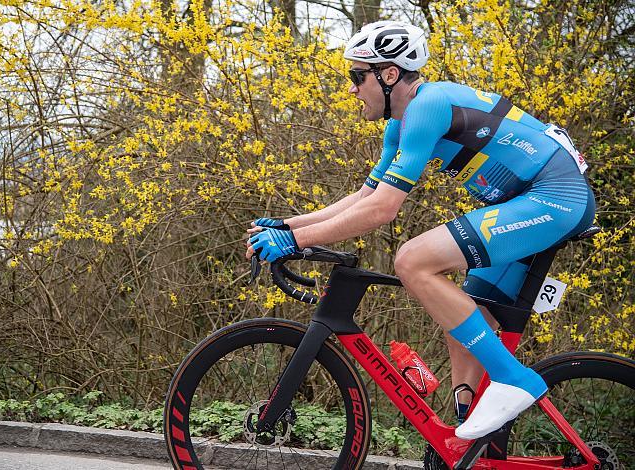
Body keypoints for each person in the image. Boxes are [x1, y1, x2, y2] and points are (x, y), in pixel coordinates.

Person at [246, 21, 596, 439]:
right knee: (469, 311)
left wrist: (294, 241)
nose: (352, 89)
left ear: (388, 75)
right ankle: (471, 438)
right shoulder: (401, 123)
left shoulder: (428, 106)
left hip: (555, 197)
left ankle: (513, 380)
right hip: (530, 200)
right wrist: (288, 225)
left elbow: (383, 210)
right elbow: (365, 196)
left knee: (413, 260)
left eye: (357, 77)